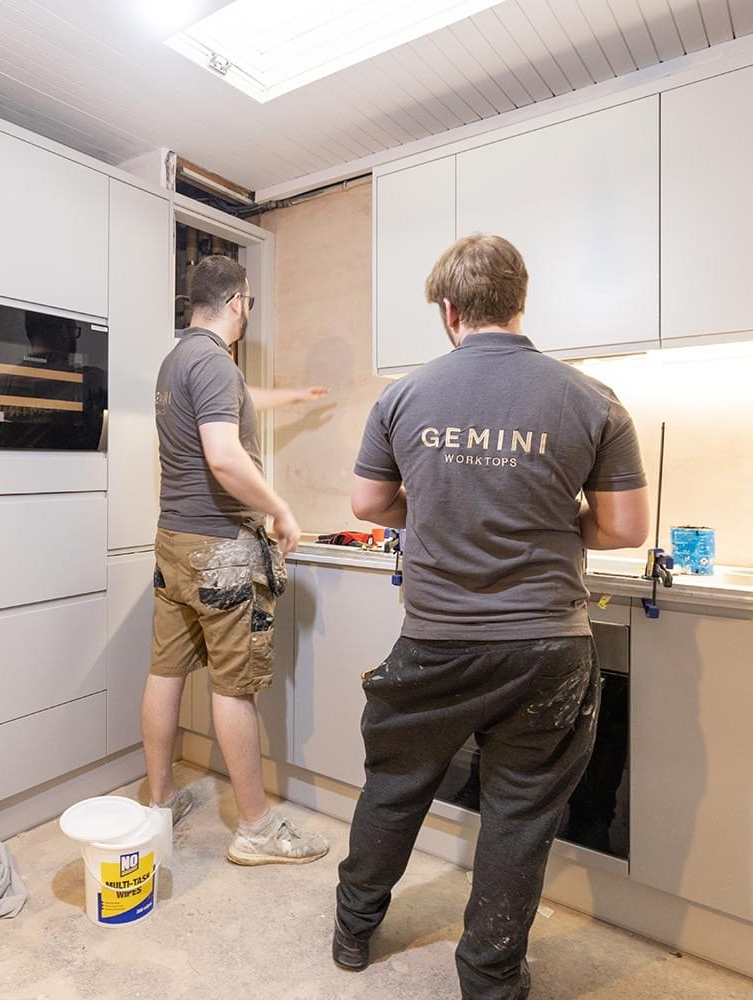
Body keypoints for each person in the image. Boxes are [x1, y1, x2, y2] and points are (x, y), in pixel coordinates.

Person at [332, 234, 651, 998]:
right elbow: (625, 528)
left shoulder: (404, 395)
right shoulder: (592, 398)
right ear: (519, 303)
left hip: (435, 642)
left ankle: (353, 930)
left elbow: (369, 504)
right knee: (519, 815)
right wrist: (549, 521)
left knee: (394, 786)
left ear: (449, 312)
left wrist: (441, 509)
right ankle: (489, 976)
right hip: (547, 648)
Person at [142, 254, 331, 866]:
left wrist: (296, 395)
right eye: (250, 304)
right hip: (221, 549)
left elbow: (237, 401)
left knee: (166, 671)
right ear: (238, 302)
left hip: (174, 544)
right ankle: (254, 828)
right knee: (233, 687)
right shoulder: (215, 364)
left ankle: (161, 801)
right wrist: (283, 511)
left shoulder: (178, 362)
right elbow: (224, 457)